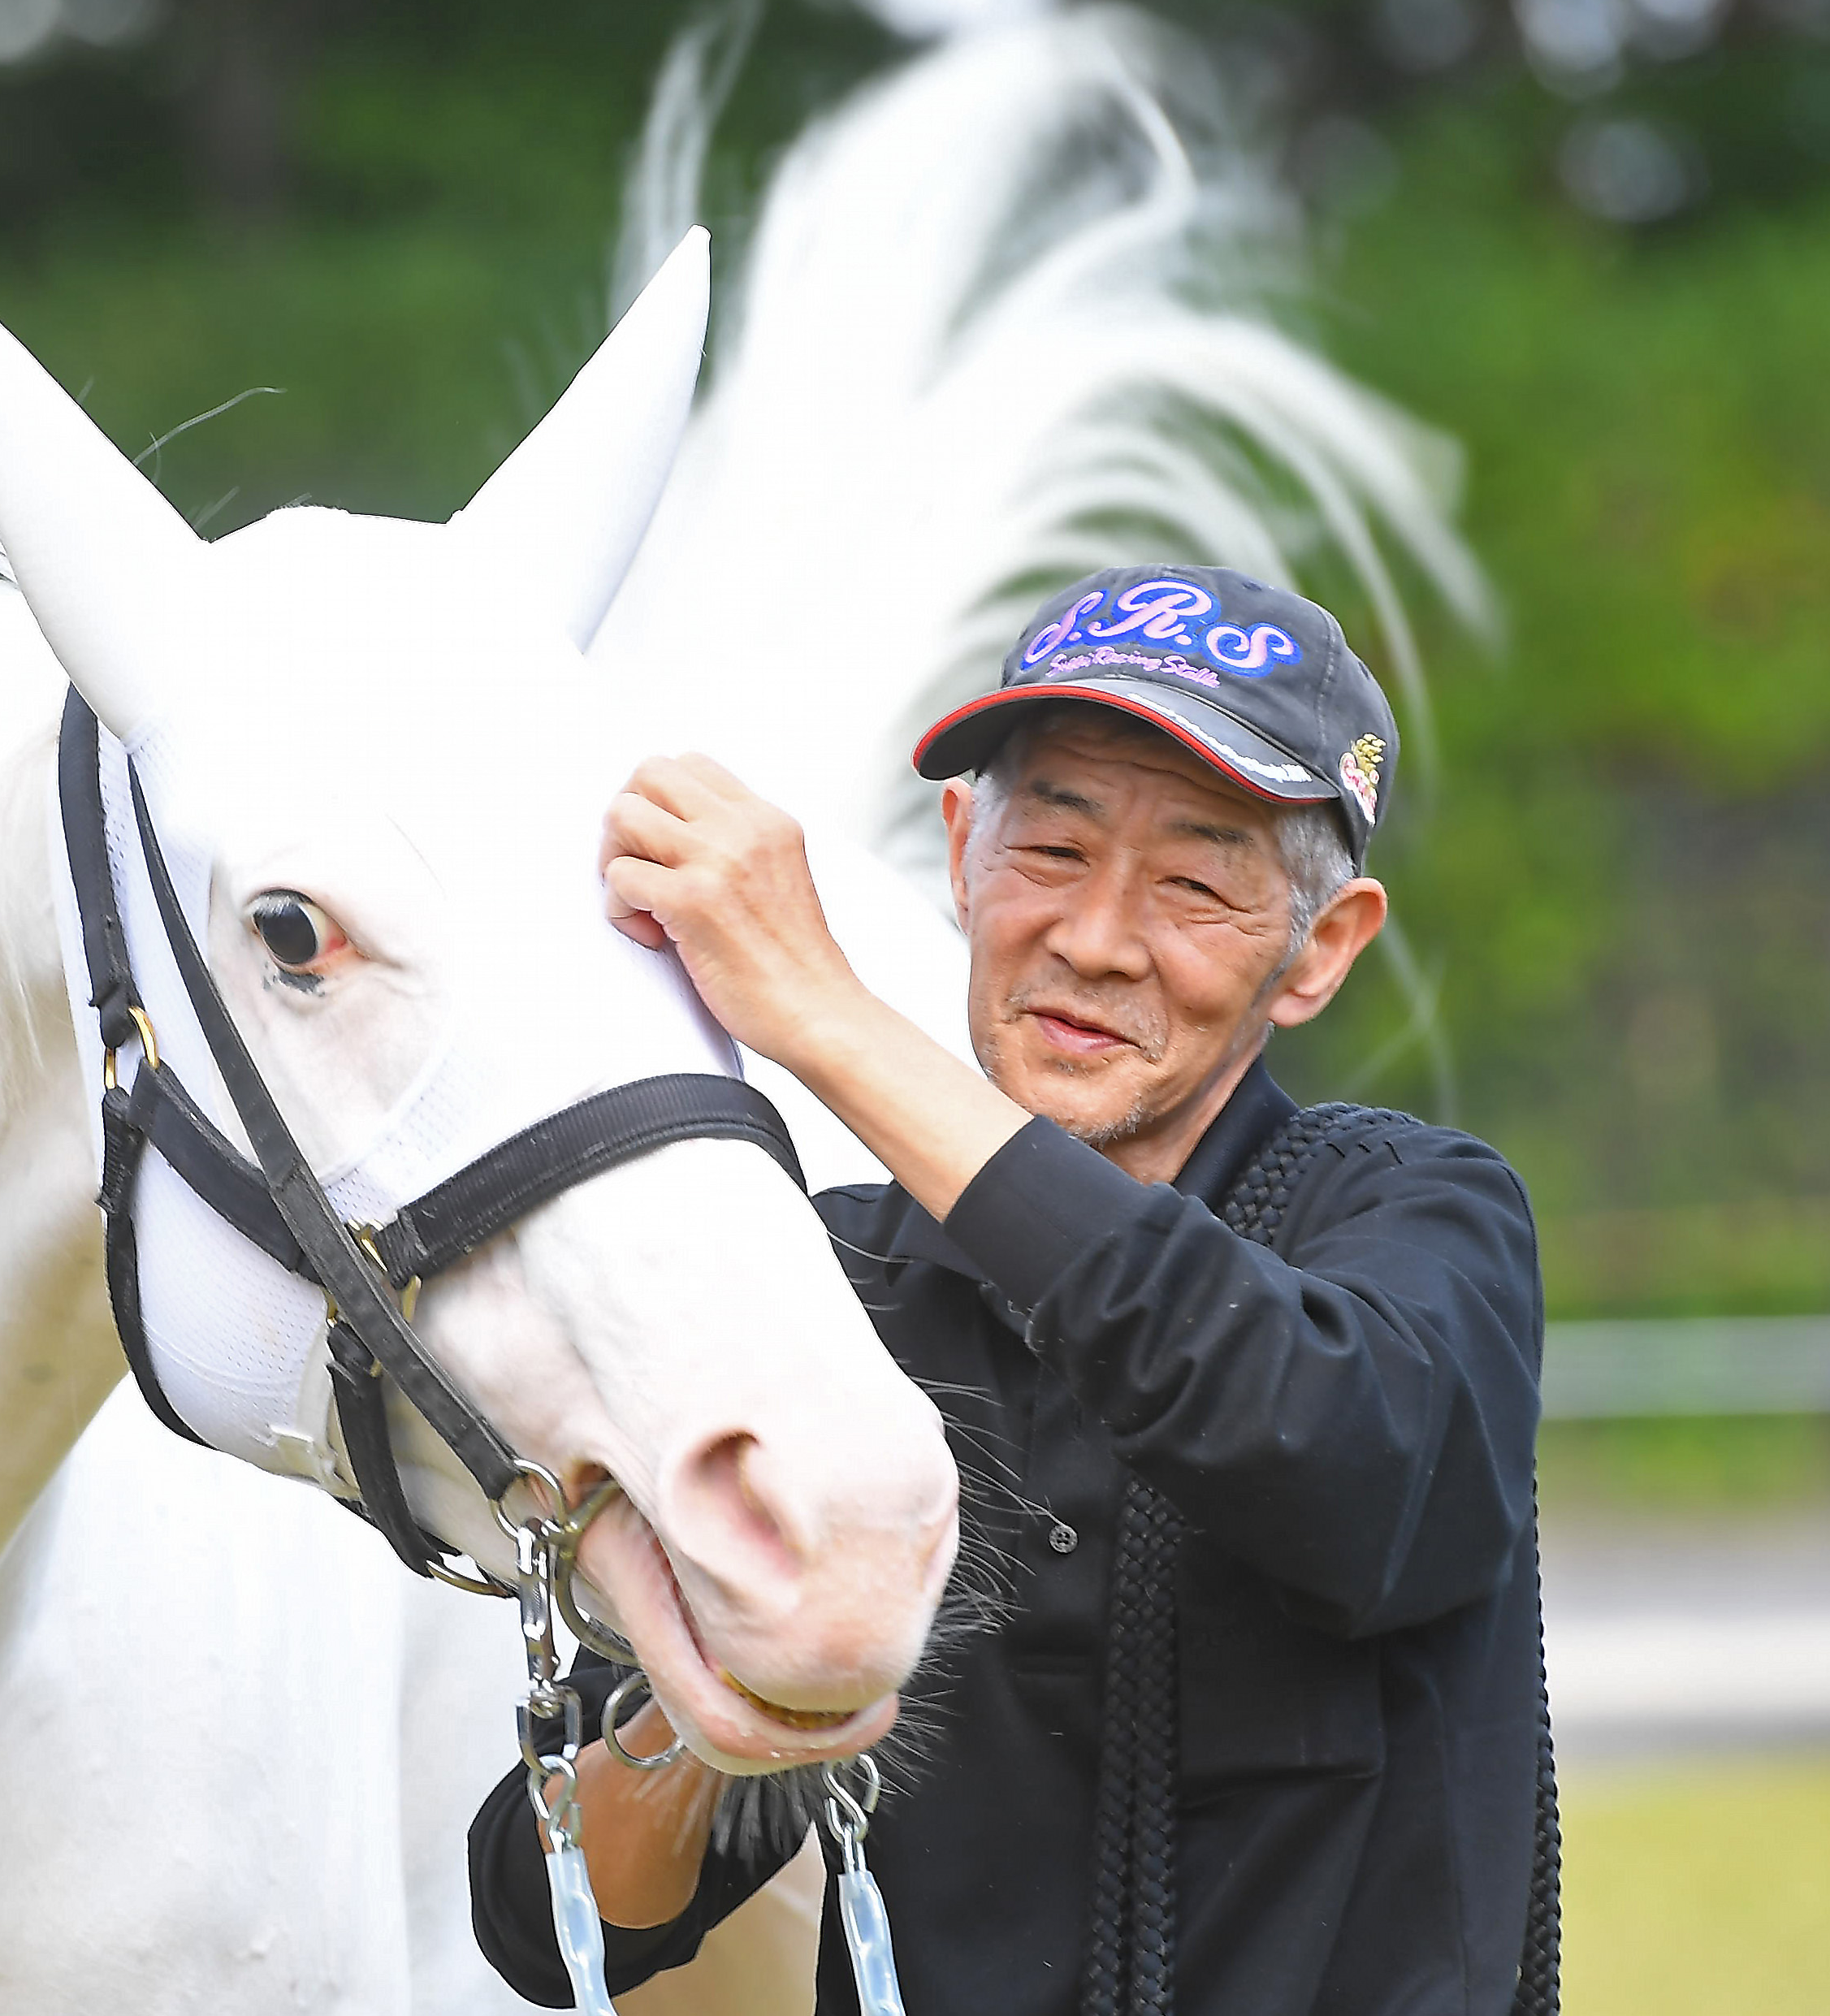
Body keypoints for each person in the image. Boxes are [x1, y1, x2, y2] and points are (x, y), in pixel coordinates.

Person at [469, 566, 1552, 2016]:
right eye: (1052, 847)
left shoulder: (1421, 1217)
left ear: (1323, 949)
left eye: (1195, 882)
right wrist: (717, 1707)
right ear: (962, 851)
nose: (1098, 938)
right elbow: (555, 1932)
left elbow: (1345, 1463)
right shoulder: (830, 1286)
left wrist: (832, 1020)